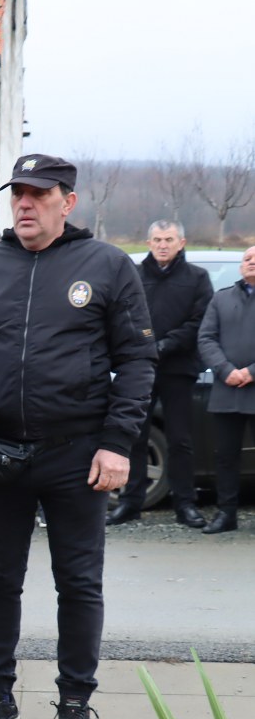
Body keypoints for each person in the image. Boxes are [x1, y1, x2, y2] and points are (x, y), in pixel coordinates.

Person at [0, 154, 156, 719]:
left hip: (76, 454)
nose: (24, 204)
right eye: (18, 193)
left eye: (38, 194)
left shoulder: (107, 266)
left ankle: (74, 702)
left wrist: (117, 442)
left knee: (79, 583)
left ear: (67, 201)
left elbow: (137, 360)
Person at [109, 220, 214, 528]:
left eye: (169, 239)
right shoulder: (135, 275)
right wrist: (143, 347)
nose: (163, 245)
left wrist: (165, 345)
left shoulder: (197, 277)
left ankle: (185, 504)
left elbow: (199, 321)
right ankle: (130, 503)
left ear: (181, 243)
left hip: (179, 369)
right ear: (149, 243)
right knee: (135, 436)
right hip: (140, 368)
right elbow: (123, 315)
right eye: (157, 240)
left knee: (180, 440)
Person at [196, 247, 255, 533]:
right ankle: (226, 514)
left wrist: (251, 372)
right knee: (225, 456)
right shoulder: (221, 298)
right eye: (247, 259)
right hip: (226, 389)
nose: (251, 262)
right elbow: (206, 338)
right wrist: (225, 370)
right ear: (241, 266)